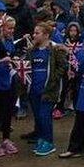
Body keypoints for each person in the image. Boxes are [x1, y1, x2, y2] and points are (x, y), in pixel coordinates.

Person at [26, 22, 67, 157]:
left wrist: (54, 80)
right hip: (34, 89)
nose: (34, 35)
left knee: (45, 116)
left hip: (48, 90)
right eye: (34, 32)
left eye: (37, 33)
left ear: (46, 35)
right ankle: (41, 138)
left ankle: (49, 141)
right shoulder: (31, 51)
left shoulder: (55, 50)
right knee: (38, 116)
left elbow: (63, 66)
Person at [0, 15, 19, 157]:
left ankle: (6, 138)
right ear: (1, 27)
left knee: (8, 110)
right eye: (9, 28)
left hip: (7, 78)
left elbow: (11, 54)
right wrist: (2, 60)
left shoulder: (9, 41)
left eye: (13, 28)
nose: (11, 31)